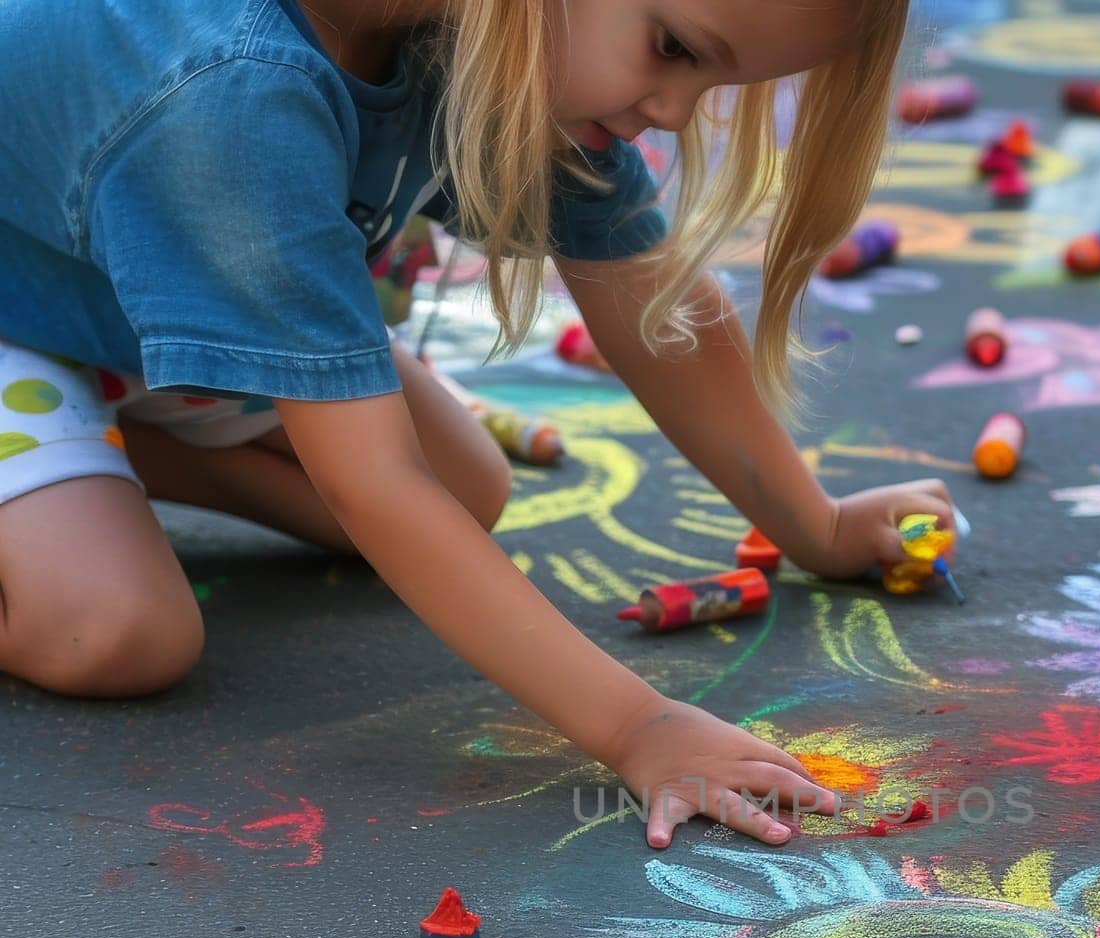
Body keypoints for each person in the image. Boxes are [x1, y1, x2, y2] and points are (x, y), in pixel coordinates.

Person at [0, 0, 957, 846]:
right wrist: (638, 726)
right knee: (117, 633)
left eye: (711, 79)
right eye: (673, 47)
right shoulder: (235, 94)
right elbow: (371, 483)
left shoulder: (483, 27)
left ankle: (116, 457)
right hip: (22, 324)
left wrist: (814, 526)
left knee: (464, 490)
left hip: (113, 318)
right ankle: (77, 473)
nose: (672, 107)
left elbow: (651, 305)